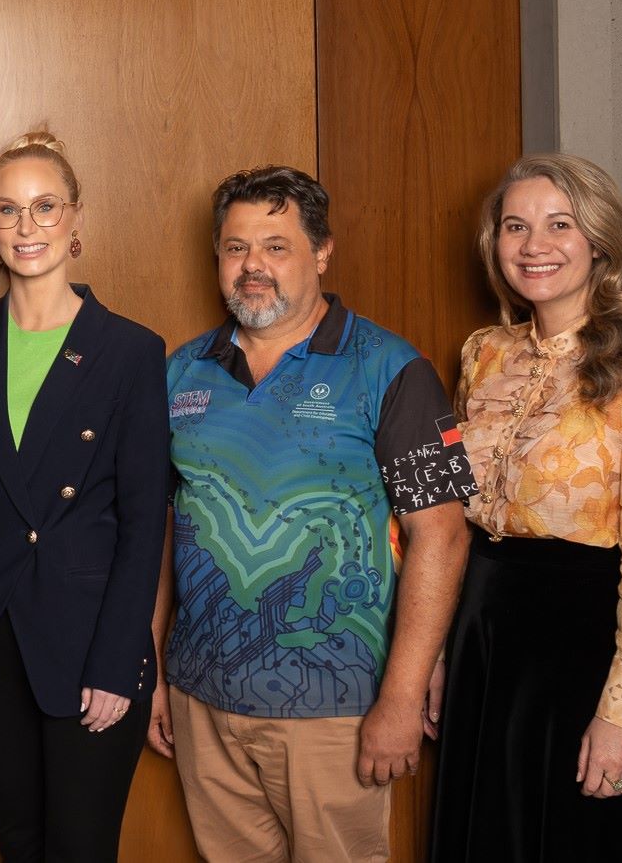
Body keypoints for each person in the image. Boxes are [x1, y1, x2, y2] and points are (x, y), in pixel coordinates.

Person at [148, 165, 475, 862]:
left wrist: (401, 695)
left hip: (338, 708)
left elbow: (441, 536)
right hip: (202, 699)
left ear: (322, 252)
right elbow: (164, 531)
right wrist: (152, 668)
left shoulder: (389, 368)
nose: (252, 267)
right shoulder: (183, 371)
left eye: (276, 245)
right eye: (236, 248)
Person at [429, 154, 622, 861]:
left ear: (599, 241)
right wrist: (435, 648)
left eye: (560, 224)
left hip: (590, 644)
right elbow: (455, 523)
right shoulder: (482, 354)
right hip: (486, 640)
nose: (535, 245)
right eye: (515, 226)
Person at [0, 132, 170, 862]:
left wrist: (121, 658)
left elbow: (141, 519)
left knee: (80, 847)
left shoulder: (129, 350)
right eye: (8, 210)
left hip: (92, 637)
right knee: (18, 840)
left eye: (45, 207)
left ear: (76, 220)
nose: (27, 227)